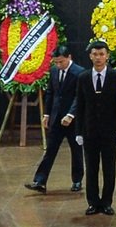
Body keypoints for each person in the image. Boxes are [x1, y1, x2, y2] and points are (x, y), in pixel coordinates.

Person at [25, 45, 85, 193]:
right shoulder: (53, 71)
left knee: (76, 150)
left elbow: (80, 97)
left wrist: (71, 115)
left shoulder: (80, 73)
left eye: (61, 62)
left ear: (69, 57)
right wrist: (46, 114)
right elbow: (51, 94)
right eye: (56, 62)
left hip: (73, 119)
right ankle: (40, 181)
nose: (58, 65)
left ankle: (77, 180)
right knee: (50, 150)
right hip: (56, 117)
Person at [79, 40, 116, 217]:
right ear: (90, 56)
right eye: (95, 54)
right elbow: (80, 106)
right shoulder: (84, 77)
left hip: (110, 131)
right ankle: (93, 202)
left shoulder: (115, 77)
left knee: (109, 168)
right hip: (90, 131)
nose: (98, 58)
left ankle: (107, 202)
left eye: (101, 54)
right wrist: (79, 132)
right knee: (91, 169)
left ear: (107, 56)